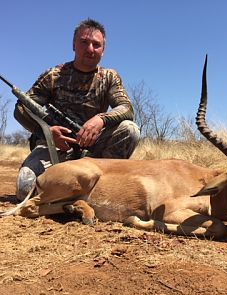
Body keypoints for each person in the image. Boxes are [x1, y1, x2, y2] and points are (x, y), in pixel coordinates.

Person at [14, 18, 140, 201]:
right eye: (84, 42)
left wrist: (101, 119)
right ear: (74, 45)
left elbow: (126, 108)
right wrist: (47, 133)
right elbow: (21, 109)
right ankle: (77, 192)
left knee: (130, 129)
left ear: (103, 50)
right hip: (54, 147)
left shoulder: (109, 77)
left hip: (92, 151)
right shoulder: (53, 75)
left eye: (96, 45)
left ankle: (104, 184)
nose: (90, 49)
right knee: (25, 189)